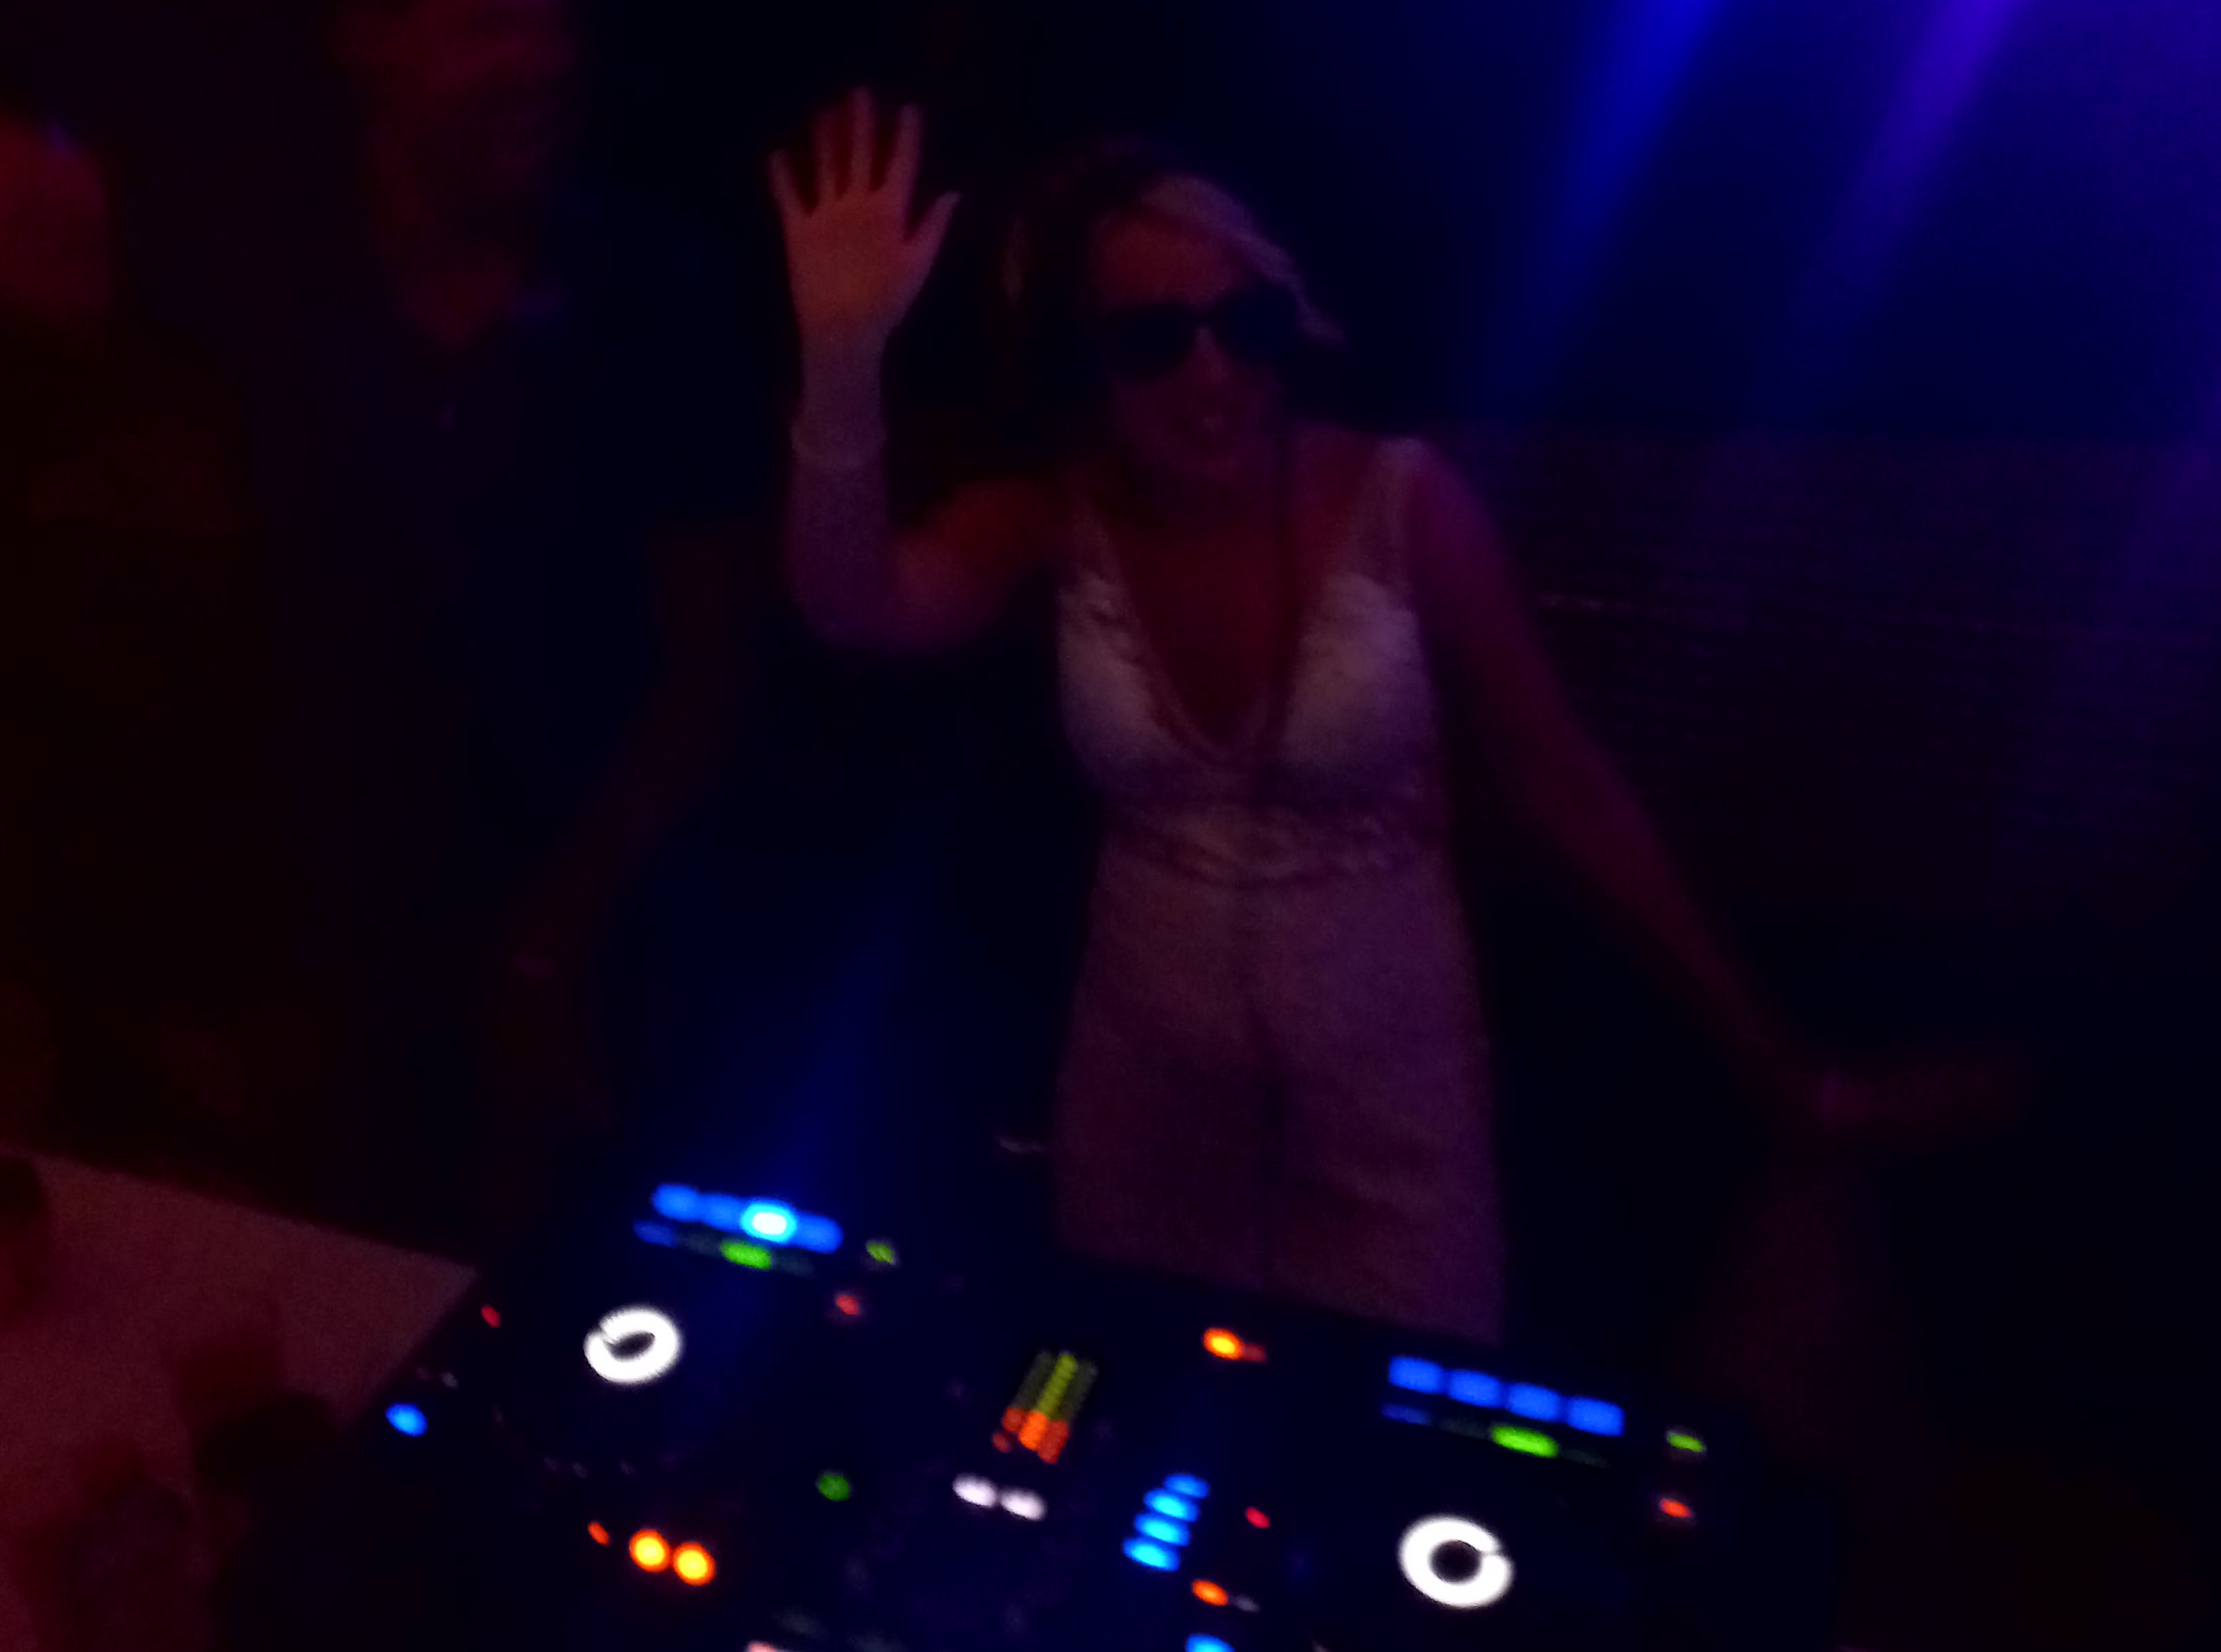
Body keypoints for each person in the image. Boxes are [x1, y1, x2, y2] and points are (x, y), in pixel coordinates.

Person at [774, 93, 1856, 1340]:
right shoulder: (1057, 516)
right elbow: (854, 607)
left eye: (1242, 323)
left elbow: (1569, 790)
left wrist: (1774, 1069)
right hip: (1141, 1109)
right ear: (1081, 366)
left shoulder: (1403, 502)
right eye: (1153, 340)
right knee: (1132, 1401)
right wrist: (842, 369)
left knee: (1388, 1419)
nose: (1213, 373)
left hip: (1391, 1121)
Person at [0, 0, 767, 1241]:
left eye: (557, 23)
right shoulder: (282, 253)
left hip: (613, 923)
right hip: (337, 947)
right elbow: (32, 208)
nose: (540, 61)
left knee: (606, 1286)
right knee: (354, 1281)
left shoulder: (654, 291)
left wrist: (573, 925)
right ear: (370, 36)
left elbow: (715, 658)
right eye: (490, 23)